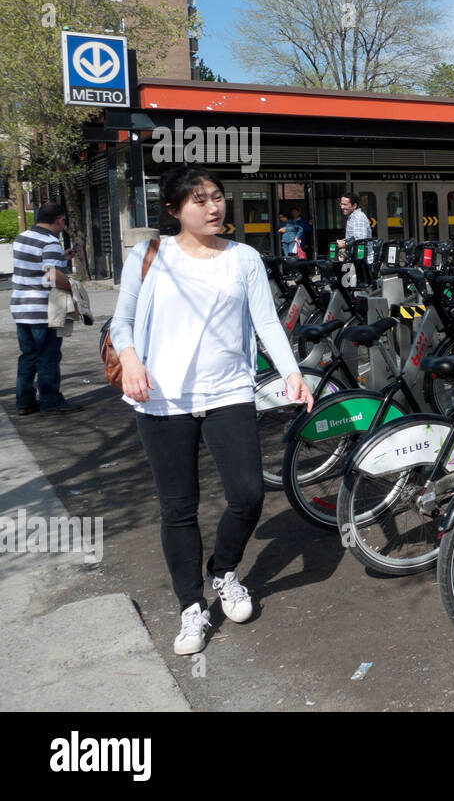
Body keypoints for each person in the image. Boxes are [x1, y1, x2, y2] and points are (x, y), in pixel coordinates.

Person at [109, 166, 312, 656]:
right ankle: (190, 607)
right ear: (175, 209)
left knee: (247, 494)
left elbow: (265, 319)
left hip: (228, 392)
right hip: (162, 399)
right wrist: (132, 360)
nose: (213, 207)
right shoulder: (149, 254)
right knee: (179, 508)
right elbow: (123, 323)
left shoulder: (243, 258)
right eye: (199, 200)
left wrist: (291, 371)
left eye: (217, 197)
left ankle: (223, 571)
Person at [9, 201, 82, 415]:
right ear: (59, 220)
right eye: (63, 221)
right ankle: (51, 402)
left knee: (28, 355)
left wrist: (62, 257)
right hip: (42, 308)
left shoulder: (22, 238)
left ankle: (24, 402)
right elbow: (52, 276)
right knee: (48, 355)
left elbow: (36, 265)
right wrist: (72, 287)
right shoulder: (50, 242)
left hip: (21, 307)